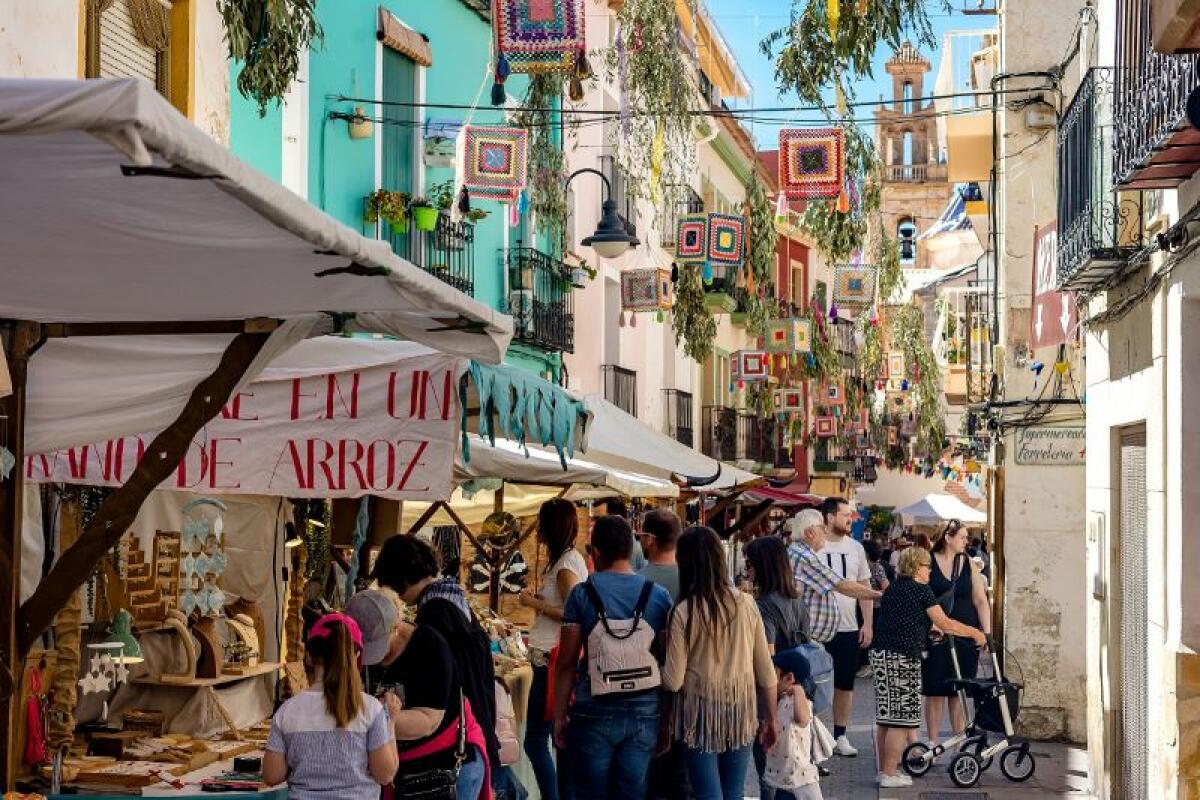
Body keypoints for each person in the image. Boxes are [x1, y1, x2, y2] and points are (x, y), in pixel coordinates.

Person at [552, 516, 673, 800]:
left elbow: (566, 663)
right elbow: (668, 662)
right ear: (631, 551)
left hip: (593, 708)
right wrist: (666, 720)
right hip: (645, 710)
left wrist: (559, 715)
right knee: (632, 793)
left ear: (595, 552)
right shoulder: (657, 596)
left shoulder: (581, 595)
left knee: (591, 793)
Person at [662, 526, 779, 800]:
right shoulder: (747, 603)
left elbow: (673, 680)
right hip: (741, 710)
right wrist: (771, 719)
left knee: (707, 794)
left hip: (699, 713)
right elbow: (765, 671)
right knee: (733, 793)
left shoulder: (683, 611)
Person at [371, 536, 501, 780]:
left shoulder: (435, 613)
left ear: (401, 577)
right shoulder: (451, 597)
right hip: (474, 736)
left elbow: (439, 689)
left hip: (455, 749)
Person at [345, 589, 491, 800]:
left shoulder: (431, 646)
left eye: (376, 645)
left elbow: (427, 721)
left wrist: (372, 718)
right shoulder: (351, 652)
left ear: (396, 626)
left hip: (445, 769)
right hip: (397, 767)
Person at [870, 547, 986, 788]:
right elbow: (944, 622)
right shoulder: (921, 590)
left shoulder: (893, 588)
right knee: (901, 720)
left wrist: (927, 629)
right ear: (916, 567)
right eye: (927, 566)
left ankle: (884, 771)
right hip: (902, 657)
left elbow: (904, 618)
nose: (930, 571)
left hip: (881, 655)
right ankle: (889, 774)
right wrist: (976, 632)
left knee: (886, 718)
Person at [264, 613, 398, 799]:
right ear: (356, 655)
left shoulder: (287, 711)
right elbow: (385, 775)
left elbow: (272, 776)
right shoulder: (370, 709)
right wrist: (390, 722)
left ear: (309, 656)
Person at [518, 498, 587, 800]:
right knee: (550, 741)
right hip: (551, 659)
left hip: (552, 661)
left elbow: (574, 612)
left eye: (541, 523)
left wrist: (534, 604)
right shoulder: (567, 561)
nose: (537, 530)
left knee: (536, 740)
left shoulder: (564, 567)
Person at [743, 535, 810, 800]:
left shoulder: (763, 606)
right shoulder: (798, 601)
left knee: (769, 774)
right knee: (791, 769)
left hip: (773, 697)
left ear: (763, 566)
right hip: (797, 695)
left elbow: (766, 658)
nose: (747, 570)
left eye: (750, 563)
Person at [921, 520, 992, 749]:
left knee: (958, 689)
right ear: (948, 538)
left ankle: (959, 739)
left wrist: (987, 633)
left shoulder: (968, 563)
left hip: (965, 632)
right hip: (936, 632)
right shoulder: (928, 562)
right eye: (962, 537)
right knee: (934, 689)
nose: (966, 541)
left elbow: (980, 600)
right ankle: (932, 741)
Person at [815, 497, 874, 757]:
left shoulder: (856, 548)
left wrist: (868, 624)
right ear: (829, 517)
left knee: (845, 685)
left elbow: (864, 588)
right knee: (811, 685)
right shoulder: (813, 545)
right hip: (815, 627)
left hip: (848, 627)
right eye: (845, 515)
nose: (850, 519)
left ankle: (840, 735)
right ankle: (811, 739)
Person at [785, 509, 881, 650]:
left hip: (812, 637)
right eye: (822, 528)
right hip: (807, 640)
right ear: (809, 533)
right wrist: (881, 594)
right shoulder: (804, 556)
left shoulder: (799, 552)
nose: (825, 532)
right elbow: (842, 585)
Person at [762, 649, 824, 800]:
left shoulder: (802, 701)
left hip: (800, 780)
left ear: (789, 678)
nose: (770, 680)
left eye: (774, 674)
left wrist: (798, 691)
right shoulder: (782, 700)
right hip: (784, 778)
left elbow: (802, 719)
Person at [593, 497, 648, 571]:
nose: (593, 524)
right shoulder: (607, 545)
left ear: (617, 519)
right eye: (593, 519)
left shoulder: (633, 549)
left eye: (598, 519)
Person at [638, 508, 682, 601]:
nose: (639, 540)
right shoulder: (693, 580)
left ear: (649, 540)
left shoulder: (636, 581)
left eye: (640, 535)